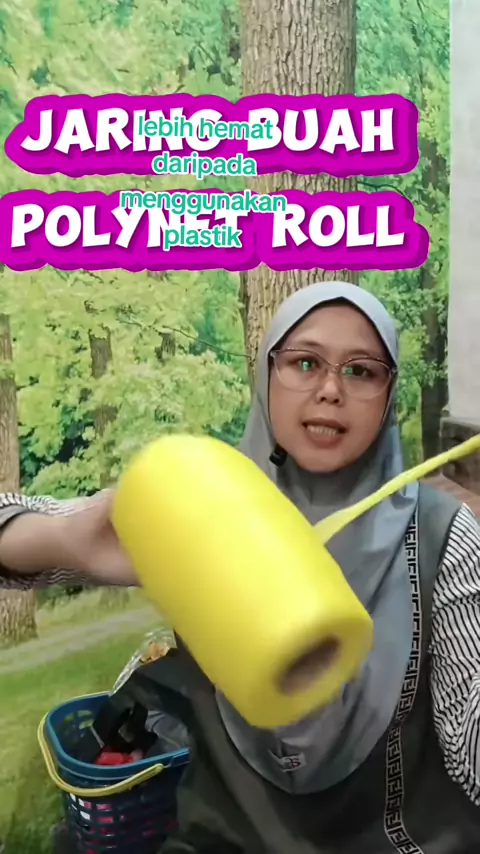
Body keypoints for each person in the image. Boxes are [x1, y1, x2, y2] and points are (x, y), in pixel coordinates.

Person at [0, 282, 479, 853]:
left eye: (361, 371)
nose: (330, 389)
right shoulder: (201, 502)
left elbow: (471, 756)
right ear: (267, 375)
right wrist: (71, 540)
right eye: (305, 363)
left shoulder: (442, 535)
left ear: (388, 394)